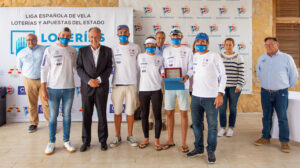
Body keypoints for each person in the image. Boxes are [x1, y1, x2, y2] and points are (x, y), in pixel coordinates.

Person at [187, 32, 226, 164]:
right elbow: (191, 71)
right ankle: (198, 148)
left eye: (203, 42)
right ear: (195, 43)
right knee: (197, 125)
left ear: (208, 43)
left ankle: (211, 150)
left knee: (212, 126)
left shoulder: (215, 56)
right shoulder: (195, 56)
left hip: (211, 97)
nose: (200, 44)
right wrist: (185, 77)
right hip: (196, 97)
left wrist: (220, 93)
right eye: (198, 42)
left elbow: (223, 75)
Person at [255, 37, 298, 153]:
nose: (268, 47)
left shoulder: (286, 58)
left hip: (281, 93)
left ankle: (284, 142)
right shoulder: (262, 58)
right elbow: (259, 73)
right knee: (266, 116)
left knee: (282, 117)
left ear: (277, 45)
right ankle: (265, 137)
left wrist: (284, 86)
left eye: (271, 44)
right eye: (266, 45)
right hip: (265, 92)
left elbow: (293, 75)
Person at [41, 27, 77, 155]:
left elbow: (77, 68)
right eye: (63, 35)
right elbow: (44, 69)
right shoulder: (49, 50)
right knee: (52, 116)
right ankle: (51, 142)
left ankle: (66, 140)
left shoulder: (73, 50)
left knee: (67, 116)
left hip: (69, 88)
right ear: (58, 35)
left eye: (68, 36)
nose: (65, 38)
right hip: (53, 88)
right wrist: (43, 88)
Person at [77, 27, 113, 152]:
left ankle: (103, 141)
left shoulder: (108, 51)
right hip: (87, 88)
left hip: (101, 87)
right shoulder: (82, 51)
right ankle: (85, 141)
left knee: (102, 115)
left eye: (96, 36)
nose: (94, 39)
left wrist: (99, 80)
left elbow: (109, 68)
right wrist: (89, 80)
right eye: (91, 37)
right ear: (88, 37)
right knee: (86, 115)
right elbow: (79, 68)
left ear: (101, 37)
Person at [161, 29, 193, 153]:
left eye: (177, 35)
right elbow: (163, 66)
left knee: (184, 113)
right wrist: (162, 73)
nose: (175, 37)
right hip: (170, 85)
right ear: (170, 37)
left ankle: (184, 142)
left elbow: (191, 67)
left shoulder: (188, 50)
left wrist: (187, 76)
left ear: (181, 36)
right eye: (173, 36)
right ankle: (170, 140)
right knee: (169, 113)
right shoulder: (166, 50)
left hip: (183, 85)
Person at [110, 25, 141, 148]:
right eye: (120, 32)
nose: (123, 34)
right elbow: (110, 66)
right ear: (117, 34)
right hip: (117, 85)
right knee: (117, 112)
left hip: (131, 85)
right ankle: (117, 136)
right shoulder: (113, 48)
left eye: (125, 32)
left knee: (130, 112)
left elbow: (139, 66)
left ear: (129, 34)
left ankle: (130, 135)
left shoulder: (135, 47)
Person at [17, 34, 49, 133]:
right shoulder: (22, 52)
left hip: (43, 80)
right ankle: (33, 123)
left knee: (46, 103)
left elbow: (49, 63)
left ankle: (50, 124)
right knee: (32, 104)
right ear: (26, 41)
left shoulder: (44, 49)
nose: (30, 42)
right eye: (28, 40)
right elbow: (19, 67)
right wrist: (29, 74)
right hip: (29, 80)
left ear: (36, 40)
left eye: (32, 39)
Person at [138, 37, 164, 151]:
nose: (150, 46)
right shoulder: (140, 57)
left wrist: (163, 74)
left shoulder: (160, 58)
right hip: (143, 90)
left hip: (156, 90)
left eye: (152, 44)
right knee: (144, 115)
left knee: (157, 116)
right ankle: (146, 138)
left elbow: (163, 71)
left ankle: (157, 140)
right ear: (145, 45)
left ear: (155, 45)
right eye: (148, 44)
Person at [218, 38, 245, 137]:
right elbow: (218, 73)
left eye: (230, 45)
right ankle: (222, 127)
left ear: (233, 45)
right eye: (226, 44)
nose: (228, 46)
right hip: (222, 88)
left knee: (233, 108)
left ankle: (231, 128)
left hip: (234, 87)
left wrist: (239, 85)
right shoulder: (219, 57)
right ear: (224, 45)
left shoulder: (239, 57)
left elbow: (241, 73)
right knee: (222, 108)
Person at [149, 31, 167, 131]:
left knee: (163, 100)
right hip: (153, 78)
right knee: (152, 100)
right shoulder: (150, 48)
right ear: (155, 38)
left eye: (162, 38)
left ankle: (163, 121)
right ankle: (151, 121)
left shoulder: (167, 50)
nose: (160, 40)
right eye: (159, 38)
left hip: (164, 78)